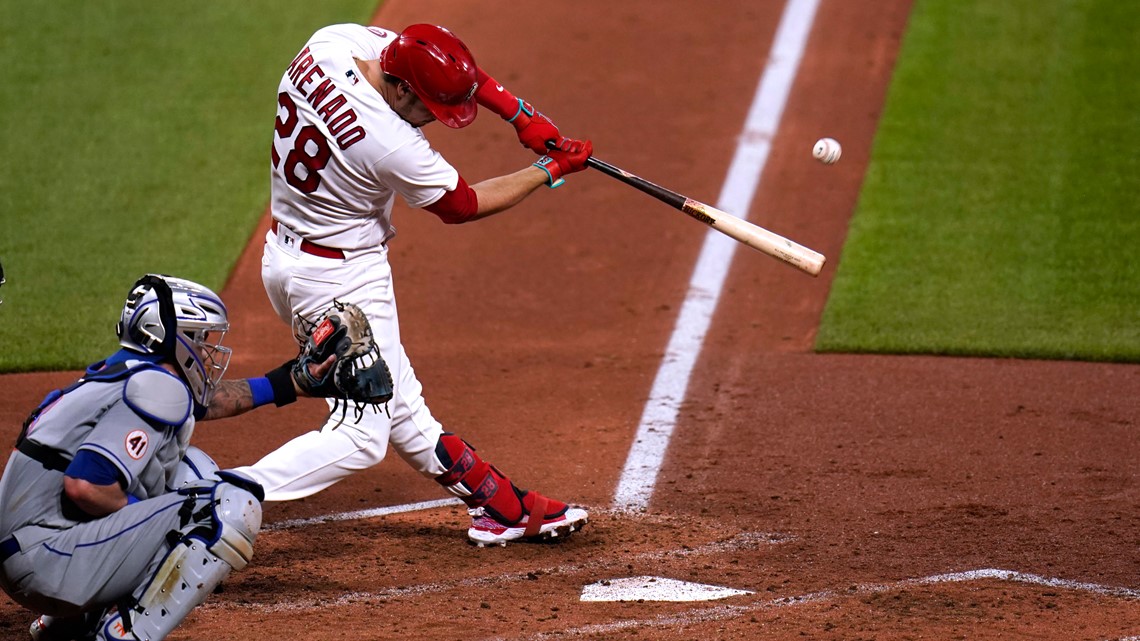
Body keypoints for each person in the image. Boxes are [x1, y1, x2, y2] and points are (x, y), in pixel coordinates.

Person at [236, 23, 592, 546]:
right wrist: (550, 167)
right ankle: (217, 495)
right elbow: (463, 205)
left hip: (289, 261)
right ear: (401, 89)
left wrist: (520, 113)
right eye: (430, 106)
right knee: (362, 435)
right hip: (341, 283)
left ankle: (499, 507)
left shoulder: (330, 43)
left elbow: (450, 69)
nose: (438, 121)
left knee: (398, 403)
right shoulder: (389, 141)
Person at [0, 274, 332, 641]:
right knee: (223, 506)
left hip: (30, 555)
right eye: (200, 337)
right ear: (170, 336)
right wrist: (157, 519)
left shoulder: (126, 375)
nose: (207, 350)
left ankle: (63, 627)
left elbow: (203, 403)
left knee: (186, 469)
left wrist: (291, 382)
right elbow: (84, 486)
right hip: (47, 562)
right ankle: (123, 635)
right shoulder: (157, 386)